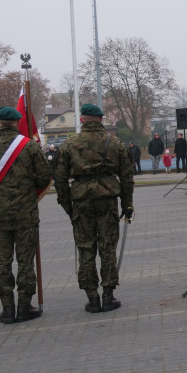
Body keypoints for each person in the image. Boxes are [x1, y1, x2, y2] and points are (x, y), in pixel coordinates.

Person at [0, 106, 52, 324]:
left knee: (2, 262)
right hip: (26, 214)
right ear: (17, 123)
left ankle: (7, 309)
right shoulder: (30, 148)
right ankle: (25, 306)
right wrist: (28, 191)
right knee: (26, 261)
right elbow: (45, 176)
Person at [54, 103, 135, 314]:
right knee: (108, 248)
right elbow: (127, 177)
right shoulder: (115, 143)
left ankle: (92, 298)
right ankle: (108, 295)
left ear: (82, 120)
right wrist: (127, 204)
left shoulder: (70, 145)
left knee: (86, 249)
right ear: (101, 119)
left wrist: (67, 205)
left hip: (81, 201)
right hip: (107, 200)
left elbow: (60, 179)